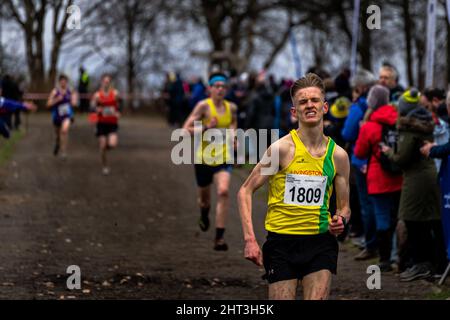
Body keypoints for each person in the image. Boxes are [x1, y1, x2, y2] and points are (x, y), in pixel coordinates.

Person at [237, 73, 350, 300]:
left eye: (315, 100)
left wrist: (341, 220)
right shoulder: (281, 150)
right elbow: (245, 191)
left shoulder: (338, 156)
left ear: (325, 107)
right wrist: (250, 239)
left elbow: (345, 207)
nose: (309, 105)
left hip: (320, 242)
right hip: (281, 243)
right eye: (303, 102)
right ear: (294, 112)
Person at [382, 89, 446, 280]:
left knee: (413, 220)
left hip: (416, 179)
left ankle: (420, 263)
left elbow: (402, 158)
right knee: (429, 221)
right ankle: (435, 263)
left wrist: (388, 152)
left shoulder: (409, 129)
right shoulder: (425, 123)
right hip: (428, 176)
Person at [182, 72, 237, 251]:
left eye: (223, 86)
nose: (220, 89)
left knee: (223, 191)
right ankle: (204, 214)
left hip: (223, 158)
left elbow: (233, 125)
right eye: (217, 86)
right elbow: (185, 130)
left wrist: (234, 138)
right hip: (203, 160)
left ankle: (219, 238)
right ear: (210, 89)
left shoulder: (232, 108)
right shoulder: (203, 107)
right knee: (205, 202)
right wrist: (206, 127)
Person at [354, 84, 403, 272]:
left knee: (382, 218)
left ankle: (384, 260)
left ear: (372, 102)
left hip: (378, 178)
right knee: (398, 216)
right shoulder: (399, 121)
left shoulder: (369, 126)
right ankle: (398, 256)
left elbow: (359, 152)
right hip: (399, 175)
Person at [341, 69, 377, 260]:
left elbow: (347, 133)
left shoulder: (359, 106)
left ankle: (368, 241)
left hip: (360, 157)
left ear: (360, 88)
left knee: (365, 202)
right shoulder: (379, 105)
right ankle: (375, 242)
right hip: (376, 159)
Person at [90, 74, 122, 175]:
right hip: (101, 123)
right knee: (103, 145)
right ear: (102, 82)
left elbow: (120, 104)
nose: (106, 83)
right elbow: (91, 109)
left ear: (110, 83)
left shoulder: (115, 93)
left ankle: (104, 149)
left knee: (112, 144)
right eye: (105, 81)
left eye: (108, 82)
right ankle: (105, 166)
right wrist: (96, 110)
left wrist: (118, 112)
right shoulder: (97, 95)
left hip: (112, 123)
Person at [46, 74, 78, 159]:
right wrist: (56, 99)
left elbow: (74, 103)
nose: (63, 83)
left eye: (65, 81)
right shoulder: (55, 91)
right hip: (57, 116)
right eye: (61, 81)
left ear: (67, 82)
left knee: (64, 131)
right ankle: (57, 143)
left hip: (67, 115)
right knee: (58, 135)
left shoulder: (70, 91)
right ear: (59, 82)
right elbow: (48, 104)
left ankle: (63, 151)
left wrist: (73, 100)